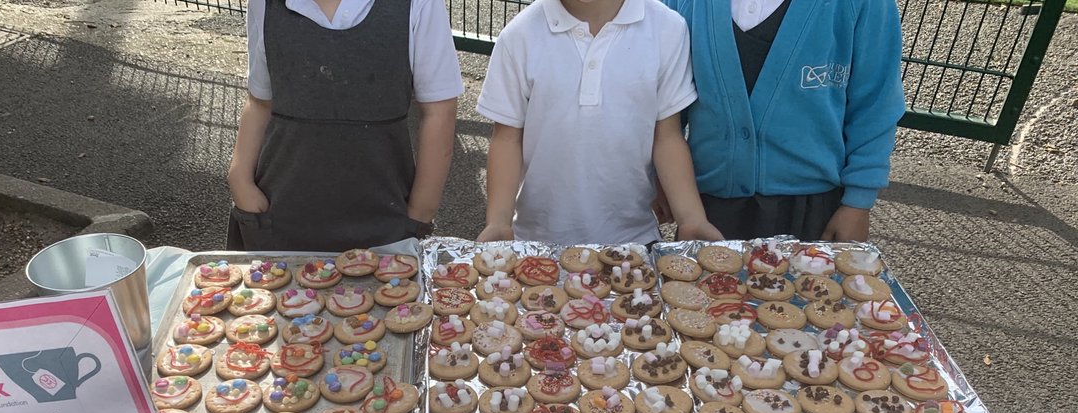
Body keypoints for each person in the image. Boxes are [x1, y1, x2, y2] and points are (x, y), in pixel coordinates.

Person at [475, 0, 722, 246]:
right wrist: (498, 221)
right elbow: (507, 139)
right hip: (536, 240)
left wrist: (692, 219)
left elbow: (667, 137)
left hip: (633, 240)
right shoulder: (519, 36)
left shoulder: (667, 29)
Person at [226, 0, 463, 252]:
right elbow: (260, 101)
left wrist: (420, 212)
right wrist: (239, 178)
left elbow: (439, 110)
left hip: (386, 221)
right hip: (278, 215)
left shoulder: (419, 4)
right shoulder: (264, 5)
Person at [659, 0, 905, 241]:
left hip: (812, 210)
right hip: (706, 206)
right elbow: (664, 105)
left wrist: (859, 202)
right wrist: (657, 176)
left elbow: (875, 103)